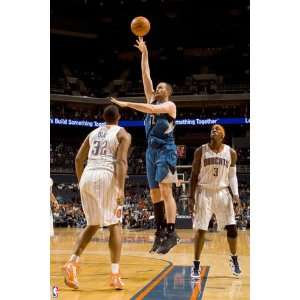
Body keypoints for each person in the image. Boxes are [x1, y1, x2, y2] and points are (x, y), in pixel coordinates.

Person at [110, 37, 179, 254]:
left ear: (167, 92)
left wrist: (126, 103)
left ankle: (172, 232)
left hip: (166, 150)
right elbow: (145, 75)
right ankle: (160, 233)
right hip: (150, 151)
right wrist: (144, 53)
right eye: (156, 88)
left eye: (160, 87)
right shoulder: (151, 100)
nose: (156, 88)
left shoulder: (169, 106)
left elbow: (148, 110)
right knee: (154, 195)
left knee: (166, 191)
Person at [62, 105, 131, 290]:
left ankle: (71, 262)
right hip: (105, 175)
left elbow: (78, 159)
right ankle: (115, 275)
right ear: (119, 117)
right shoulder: (122, 133)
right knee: (115, 224)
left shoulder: (92, 133)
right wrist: (121, 189)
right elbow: (122, 161)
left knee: (93, 224)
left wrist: (81, 181)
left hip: (87, 175)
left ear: (103, 117)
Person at [189, 124, 242, 279]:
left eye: (217, 129)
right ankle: (196, 264)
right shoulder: (201, 151)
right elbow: (193, 175)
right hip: (204, 192)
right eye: (212, 128)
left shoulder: (230, 153)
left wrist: (236, 195)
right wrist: (191, 197)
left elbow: (232, 176)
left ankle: (234, 260)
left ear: (222, 135)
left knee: (232, 228)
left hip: (222, 192)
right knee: (201, 230)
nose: (214, 129)